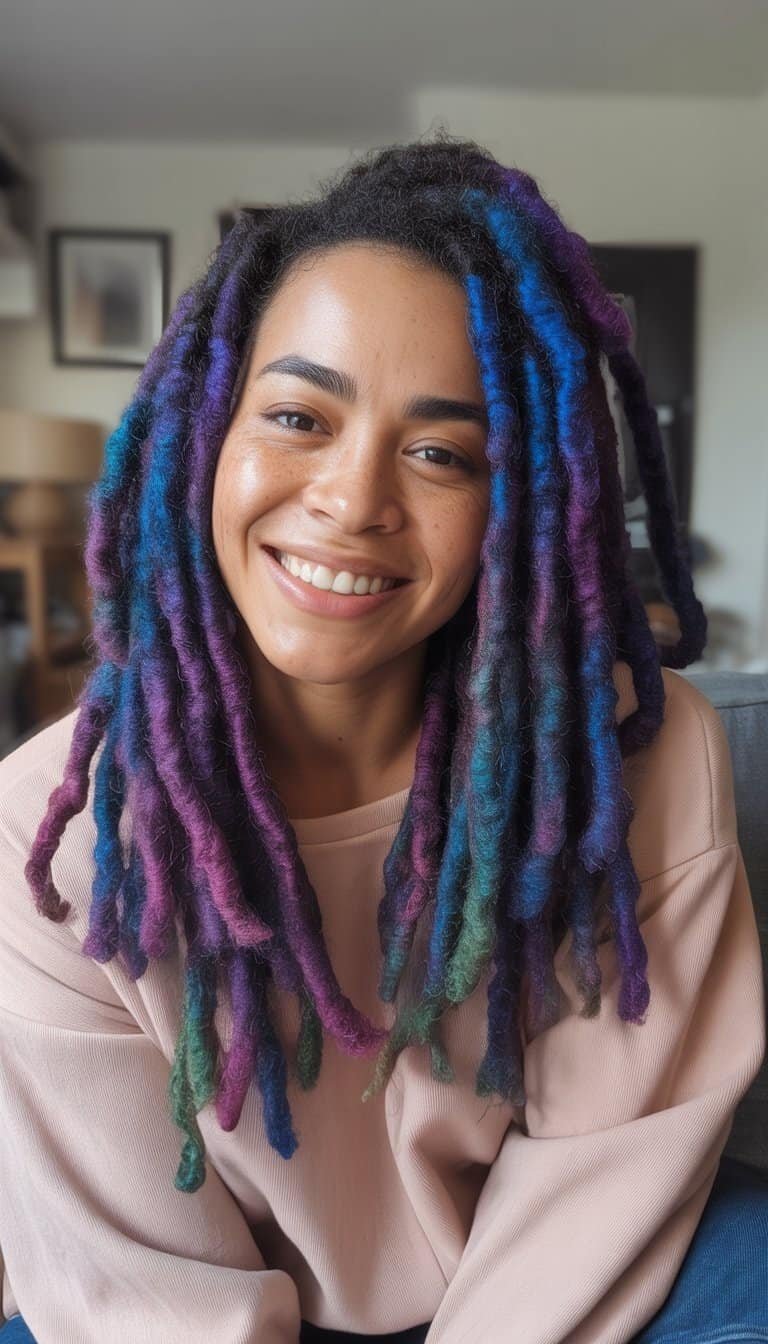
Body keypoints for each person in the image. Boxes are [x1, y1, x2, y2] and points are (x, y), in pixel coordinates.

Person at [0, 133, 765, 1344]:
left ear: (519, 505)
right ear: (205, 436)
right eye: (297, 415)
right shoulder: (51, 831)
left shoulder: (639, 763)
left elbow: (601, 1190)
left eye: (440, 452)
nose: (354, 501)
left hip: (540, 1284)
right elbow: (137, 1293)